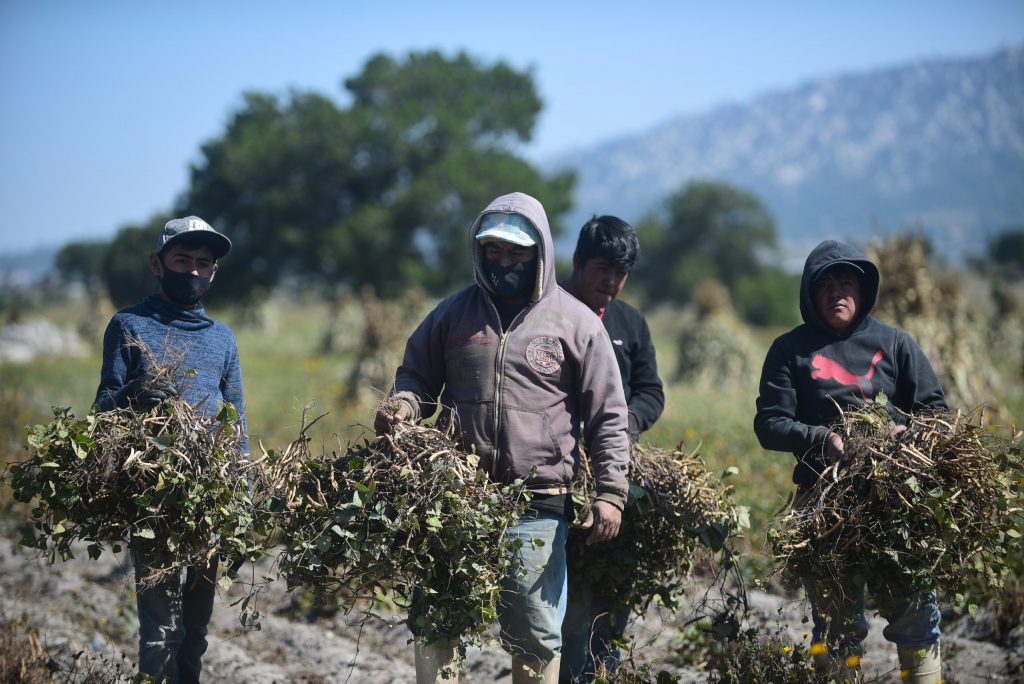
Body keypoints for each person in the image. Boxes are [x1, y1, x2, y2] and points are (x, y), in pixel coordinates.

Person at [374, 192, 631, 684]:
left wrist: (610, 492)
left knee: (534, 633)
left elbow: (608, 413)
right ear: (479, 251)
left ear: (540, 253)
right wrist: (403, 406)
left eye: (516, 252)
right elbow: (416, 378)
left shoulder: (574, 323)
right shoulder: (452, 316)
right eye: (493, 251)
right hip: (455, 499)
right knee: (439, 623)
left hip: (537, 505)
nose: (504, 262)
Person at [754, 239, 946, 683]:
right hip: (826, 505)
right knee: (837, 628)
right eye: (825, 284)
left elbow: (937, 413)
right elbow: (769, 424)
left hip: (898, 503)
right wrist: (822, 439)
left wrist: (905, 431)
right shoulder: (790, 351)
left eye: (846, 283)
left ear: (862, 291)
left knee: (917, 614)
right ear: (809, 292)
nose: (836, 293)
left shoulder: (896, 344)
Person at [95, 215, 247, 683]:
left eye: (204, 264)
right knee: (161, 629)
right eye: (183, 260)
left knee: (196, 628)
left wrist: (242, 486)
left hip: (209, 498)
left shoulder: (222, 338)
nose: (194, 271)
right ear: (158, 265)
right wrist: (133, 394)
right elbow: (102, 410)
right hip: (152, 498)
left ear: (214, 273)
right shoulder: (128, 325)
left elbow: (235, 416)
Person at [558, 215, 664, 682]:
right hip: (557, 478)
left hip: (617, 473)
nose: (612, 282)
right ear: (578, 262)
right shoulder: (547, 311)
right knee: (569, 608)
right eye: (603, 269)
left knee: (614, 600)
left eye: (621, 274)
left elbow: (651, 391)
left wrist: (629, 423)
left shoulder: (629, 322)